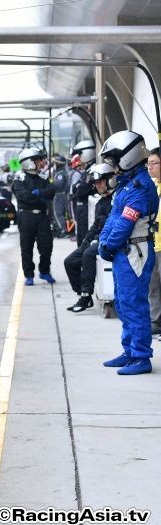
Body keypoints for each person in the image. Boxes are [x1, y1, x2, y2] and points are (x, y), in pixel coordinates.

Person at [98, 131, 158, 375]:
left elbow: (125, 223)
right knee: (123, 304)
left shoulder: (140, 186)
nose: (113, 165)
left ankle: (141, 357)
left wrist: (108, 244)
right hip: (124, 251)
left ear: (128, 157)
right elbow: (113, 218)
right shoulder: (127, 184)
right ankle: (130, 351)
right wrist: (104, 241)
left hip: (136, 252)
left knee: (134, 305)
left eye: (114, 160)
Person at [63, 164, 114, 312]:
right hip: (98, 238)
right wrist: (88, 238)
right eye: (96, 183)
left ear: (109, 181)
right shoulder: (101, 201)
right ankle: (83, 294)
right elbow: (96, 224)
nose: (98, 186)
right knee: (70, 261)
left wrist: (96, 238)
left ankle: (86, 295)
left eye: (101, 182)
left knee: (88, 254)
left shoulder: (115, 201)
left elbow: (114, 227)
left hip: (109, 241)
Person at [12, 147, 56, 285]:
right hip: (26, 216)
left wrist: (40, 192)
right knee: (26, 246)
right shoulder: (19, 179)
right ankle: (29, 275)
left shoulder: (43, 177)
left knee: (47, 244)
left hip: (42, 216)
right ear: (29, 162)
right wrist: (41, 197)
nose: (42, 163)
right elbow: (24, 196)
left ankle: (44, 271)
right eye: (38, 160)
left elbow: (52, 190)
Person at [70, 140, 97, 245]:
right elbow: (75, 188)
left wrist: (78, 187)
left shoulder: (92, 170)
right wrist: (78, 187)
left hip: (86, 208)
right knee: (80, 238)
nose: (79, 158)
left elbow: (81, 190)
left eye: (80, 155)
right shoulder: (87, 170)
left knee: (84, 240)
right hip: (81, 208)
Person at [146, 149, 161, 336]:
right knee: (153, 286)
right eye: (148, 163)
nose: (149, 167)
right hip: (154, 243)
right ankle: (155, 322)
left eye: (154, 163)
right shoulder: (153, 186)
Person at [50, 154, 70, 238]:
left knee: (58, 214)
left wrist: (50, 183)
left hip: (59, 196)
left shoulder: (60, 174)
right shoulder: (61, 173)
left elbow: (58, 185)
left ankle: (62, 231)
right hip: (62, 196)